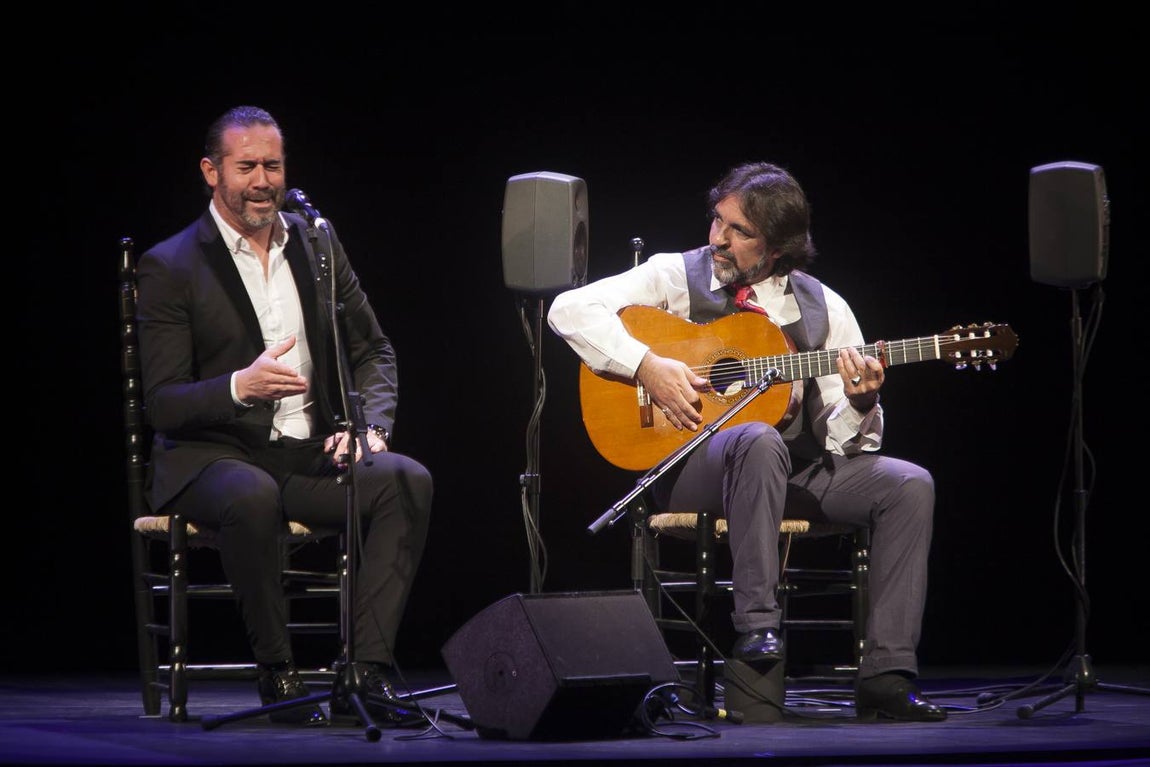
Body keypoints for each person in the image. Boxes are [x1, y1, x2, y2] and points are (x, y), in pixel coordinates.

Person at [547, 161, 946, 722]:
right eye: (718, 221)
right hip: (695, 470)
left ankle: (886, 675)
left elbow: (845, 440)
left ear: (778, 248)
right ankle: (758, 628)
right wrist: (647, 366)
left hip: (791, 474)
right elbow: (569, 309)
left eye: (739, 232)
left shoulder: (823, 308)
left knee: (909, 485)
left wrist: (861, 403)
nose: (718, 238)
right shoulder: (671, 275)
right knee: (756, 438)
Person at [136, 105, 433, 726]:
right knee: (251, 494)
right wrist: (240, 386)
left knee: (405, 480)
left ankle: (364, 673)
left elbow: (373, 348)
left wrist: (369, 426)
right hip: (211, 458)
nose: (263, 180)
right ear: (211, 171)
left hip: (303, 454)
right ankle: (280, 672)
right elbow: (163, 402)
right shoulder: (171, 266)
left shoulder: (317, 243)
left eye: (272, 165)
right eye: (247, 167)